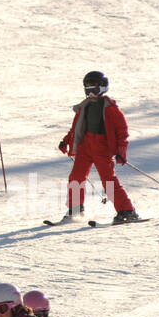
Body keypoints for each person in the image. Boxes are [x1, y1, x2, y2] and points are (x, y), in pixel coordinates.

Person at [58, 70, 139, 223]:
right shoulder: (84, 107)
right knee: (76, 177)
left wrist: (121, 151)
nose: (90, 90)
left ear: (102, 87)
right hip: (85, 146)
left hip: (102, 147)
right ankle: (75, 210)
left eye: (93, 86)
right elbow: (76, 128)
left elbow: (122, 132)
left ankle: (127, 211)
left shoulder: (111, 108)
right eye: (87, 86)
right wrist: (66, 141)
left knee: (108, 180)